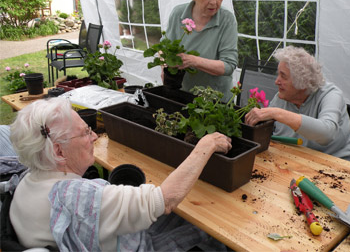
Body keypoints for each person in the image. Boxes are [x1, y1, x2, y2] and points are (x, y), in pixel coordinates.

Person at [9, 97, 231, 251]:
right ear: (59, 151)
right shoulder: (77, 199)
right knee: (207, 226)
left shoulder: (28, 180)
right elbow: (166, 200)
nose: (95, 136)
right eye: (85, 132)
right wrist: (206, 144)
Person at [245, 46, 350, 162]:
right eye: (278, 74)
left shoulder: (331, 95)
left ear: (302, 83)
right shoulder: (282, 97)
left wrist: (277, 113)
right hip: (299, 161)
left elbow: (327, 133)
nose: (276, 81)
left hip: (339, 163)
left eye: (283, 76)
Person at [165, 0, 238, 102]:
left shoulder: (227, 20)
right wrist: (165, 65)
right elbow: (164, 48)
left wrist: (193, 61)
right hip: (181, 95)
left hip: (215, 100)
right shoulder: (178, 14)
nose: (214, 2)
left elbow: (228, 66)